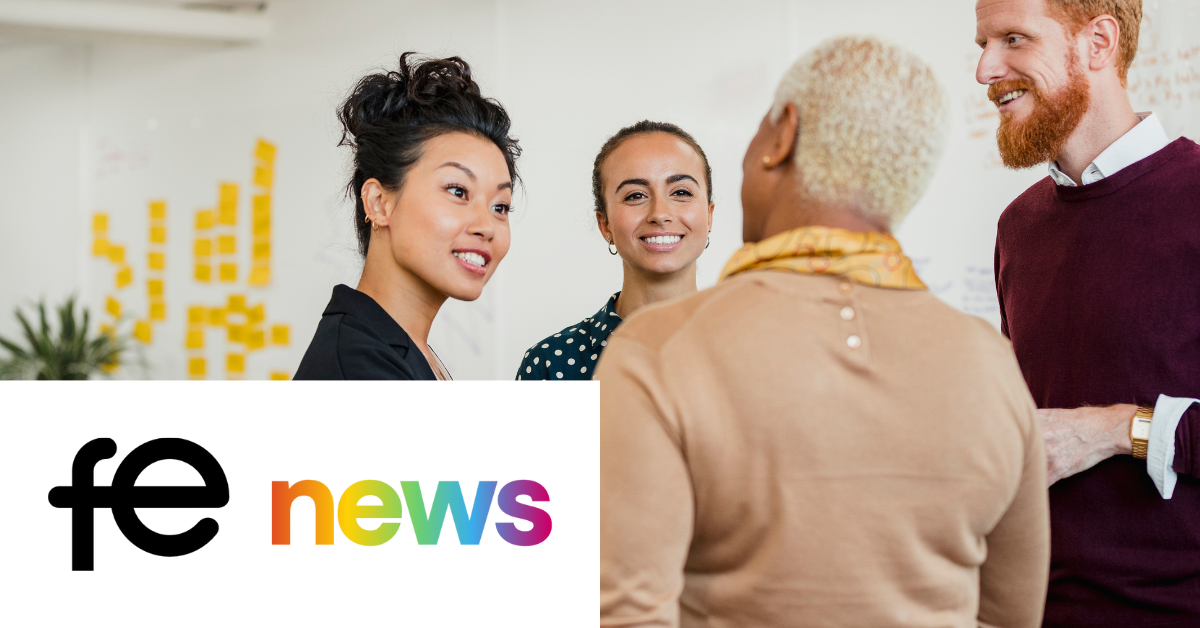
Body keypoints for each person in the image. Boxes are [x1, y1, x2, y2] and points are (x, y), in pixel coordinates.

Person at [597, 36, 1050, 627]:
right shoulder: (991, 364)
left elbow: (628, 616)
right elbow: (1009, 617)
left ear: (782, 134)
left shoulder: (655, 350)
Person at [977, 0, 1200, 624]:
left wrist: (1116, 431)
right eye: (982, 44)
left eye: (1013, 39)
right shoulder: (1017, 227)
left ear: (1097, 43)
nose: (985, 68)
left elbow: (1076, 434)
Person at [294, 53, 520, 380]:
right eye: (458, 191)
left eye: (500, 206)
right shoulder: (360, 370)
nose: (486, 226)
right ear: (379, 202)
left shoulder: (406, 350)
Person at [516, 121, 713, 380]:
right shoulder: (549, 363)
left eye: (681, 191)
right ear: (605, 224)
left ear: (709, 216)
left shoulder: (753, 346)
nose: (660, 214)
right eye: (635, 196)